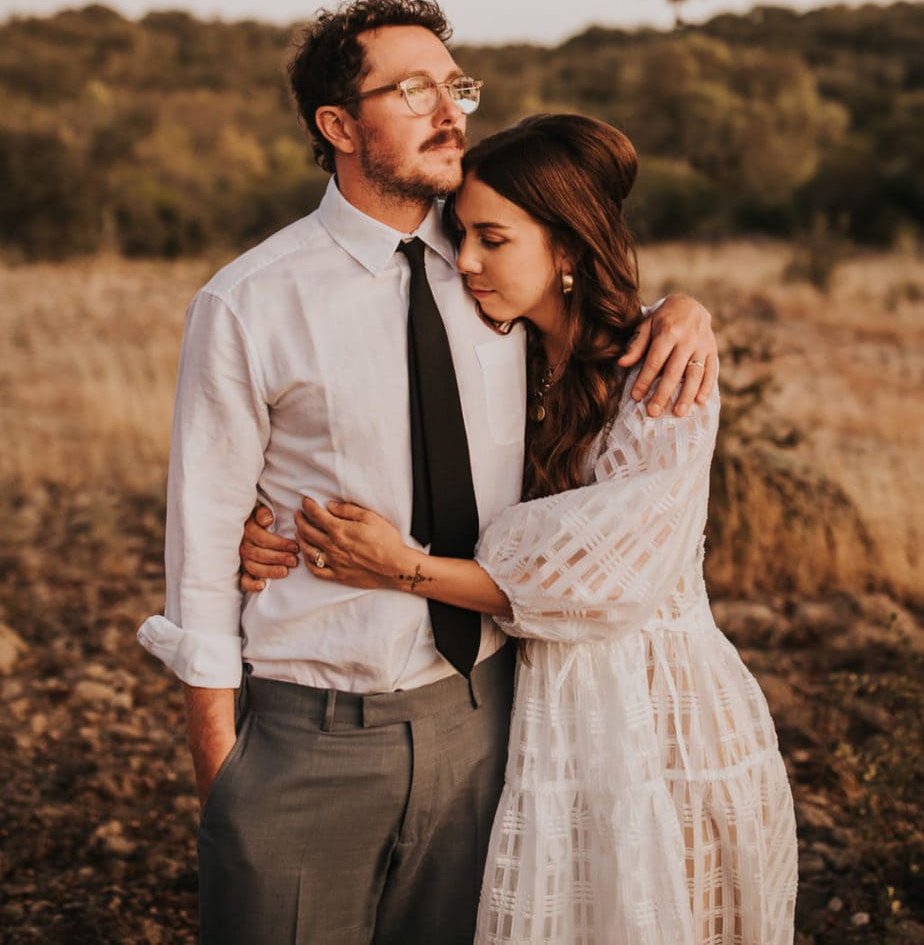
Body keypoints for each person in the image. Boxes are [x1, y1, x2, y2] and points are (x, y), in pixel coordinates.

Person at [138, 0, 717, 945]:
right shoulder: (248, 303)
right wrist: (222, 768)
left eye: (456, 86)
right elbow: (202, 543)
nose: (450, 110)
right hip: (306, 734)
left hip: (491, 724)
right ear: (338, 127)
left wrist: (690, 308)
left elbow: (601, 306)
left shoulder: (492, 256)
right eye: (412, 90)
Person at [242, 113, 798, 945]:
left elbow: (601, 581)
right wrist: (268, 518)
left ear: (568, 248)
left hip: (653, 715)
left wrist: (404, 568)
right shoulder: (500, 350)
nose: (463, 261)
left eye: (491, 239)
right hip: (535, 709)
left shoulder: (660, 376)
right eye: (461, 235)